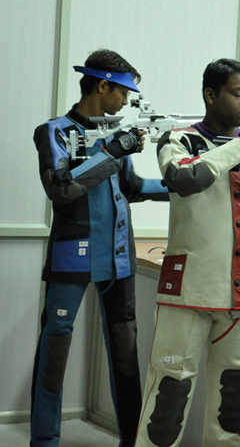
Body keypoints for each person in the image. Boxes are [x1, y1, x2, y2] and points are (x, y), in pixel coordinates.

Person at [135, 59, 240, 446]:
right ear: (210, 95)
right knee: (168, 398)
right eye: (237, 94)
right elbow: (185, 178)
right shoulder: (179, 140)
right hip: (190, 290)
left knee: (232, 406)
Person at [31, 49, 168, 447]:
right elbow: (61, 188)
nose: (126, 101)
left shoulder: (113, 134)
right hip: (72, 257)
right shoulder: (54, 132)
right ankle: (44, 441)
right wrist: (113, 151)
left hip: (120, 260)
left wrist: (183, 184)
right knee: (55, 350)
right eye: (123, 92)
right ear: (103, 86)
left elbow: (133, 187)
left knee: (126, 356)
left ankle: (131, 440)